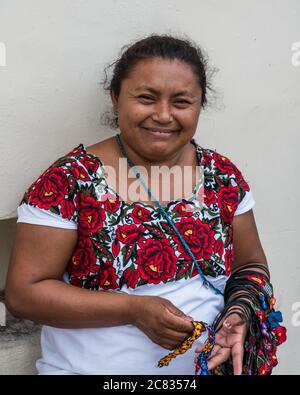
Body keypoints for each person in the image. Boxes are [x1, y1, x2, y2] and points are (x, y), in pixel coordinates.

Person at [5, 34, 286, 375]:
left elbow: (250, 266)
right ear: (116, 97)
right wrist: (133, 309)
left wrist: (239, 313)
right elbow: (24, 295)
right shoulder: (69, 181)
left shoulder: (221, 175)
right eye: (147, 98)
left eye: (182, 102)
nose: (164, 115)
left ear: (200, 105)